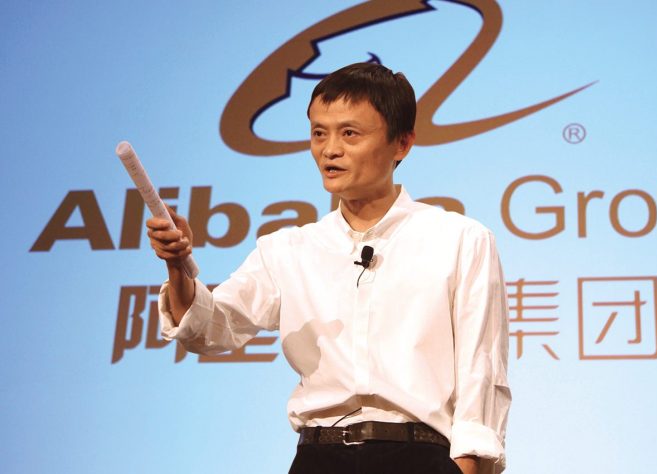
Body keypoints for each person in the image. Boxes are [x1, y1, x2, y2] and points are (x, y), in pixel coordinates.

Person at [147, 63, 510, 474]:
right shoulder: (287, 249)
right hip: (319, 457)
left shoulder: (460, 239)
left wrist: (466, 468)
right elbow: (209, 330)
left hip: (419, 456)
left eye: (349, 134)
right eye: (319, 133)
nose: (329, 149)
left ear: (402, 143)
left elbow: (481, 369)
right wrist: (178, 267)